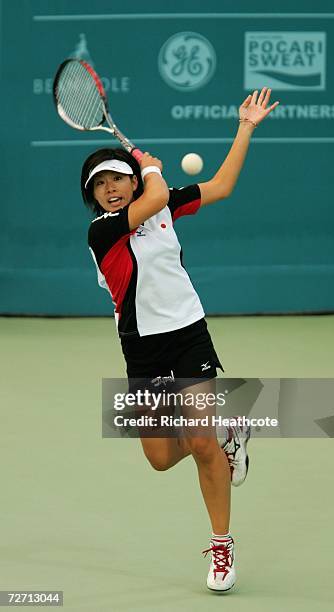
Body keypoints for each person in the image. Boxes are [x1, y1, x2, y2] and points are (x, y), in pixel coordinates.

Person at [81, 88, 279, 592]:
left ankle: (221, 545)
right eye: (99, 184)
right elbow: (155, 196)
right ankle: (228, 430)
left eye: (116, 178)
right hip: (142, 349)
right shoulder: (103, 232)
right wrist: (148, 166)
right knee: (160, 458)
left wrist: (246, 127)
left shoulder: (162, 208)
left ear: (128, 181)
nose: (108, 189)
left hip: (187, 335)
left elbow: (221, 186)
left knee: (199, 441)